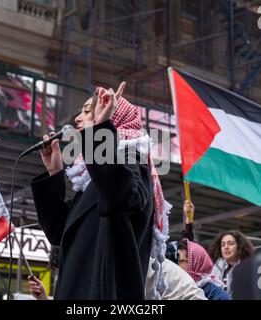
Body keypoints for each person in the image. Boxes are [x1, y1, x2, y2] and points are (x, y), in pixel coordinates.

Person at [30, 83, 171, 299]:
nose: (77, 119)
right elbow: (59, 232)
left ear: (111, 119)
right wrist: (54, 173)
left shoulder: (132, 162)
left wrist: (101, 128)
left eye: (87, 111)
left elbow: (122, 198)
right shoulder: (92, 181)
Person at [209, 230, 254, 295]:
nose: (226, 247)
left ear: (239, 246)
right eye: (223, 245)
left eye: (230, 243)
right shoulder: (215, 268)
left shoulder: (248, 267)